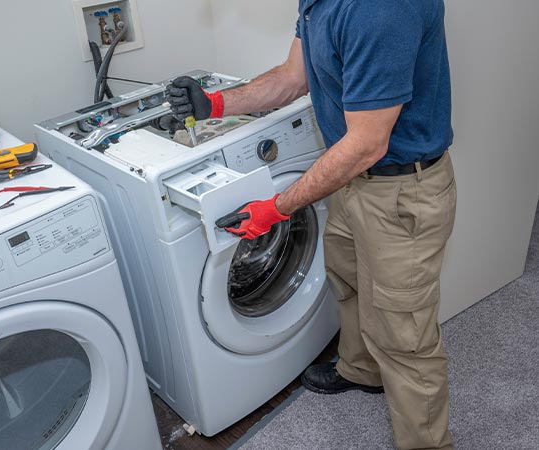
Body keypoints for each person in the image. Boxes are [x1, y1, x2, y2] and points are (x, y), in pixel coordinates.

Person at [166, 1, 456, 449]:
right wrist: (216, 103)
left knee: (406, 336)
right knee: (349, 279)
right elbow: (292, 76)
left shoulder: (380, 11)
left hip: (401, 191)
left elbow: (367, 143)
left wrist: (275, 208)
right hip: (351, 180)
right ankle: (362, 370)